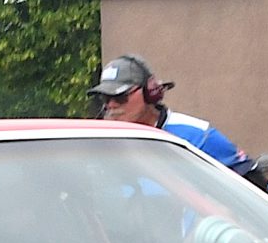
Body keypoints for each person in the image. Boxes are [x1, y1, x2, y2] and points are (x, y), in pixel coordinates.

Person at [86, 55, 256, 176]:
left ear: (150, 93)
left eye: (120, 96)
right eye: (105, 98)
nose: (111, 105)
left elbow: (253, 181)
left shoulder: (198, 135)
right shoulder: (101, 143)